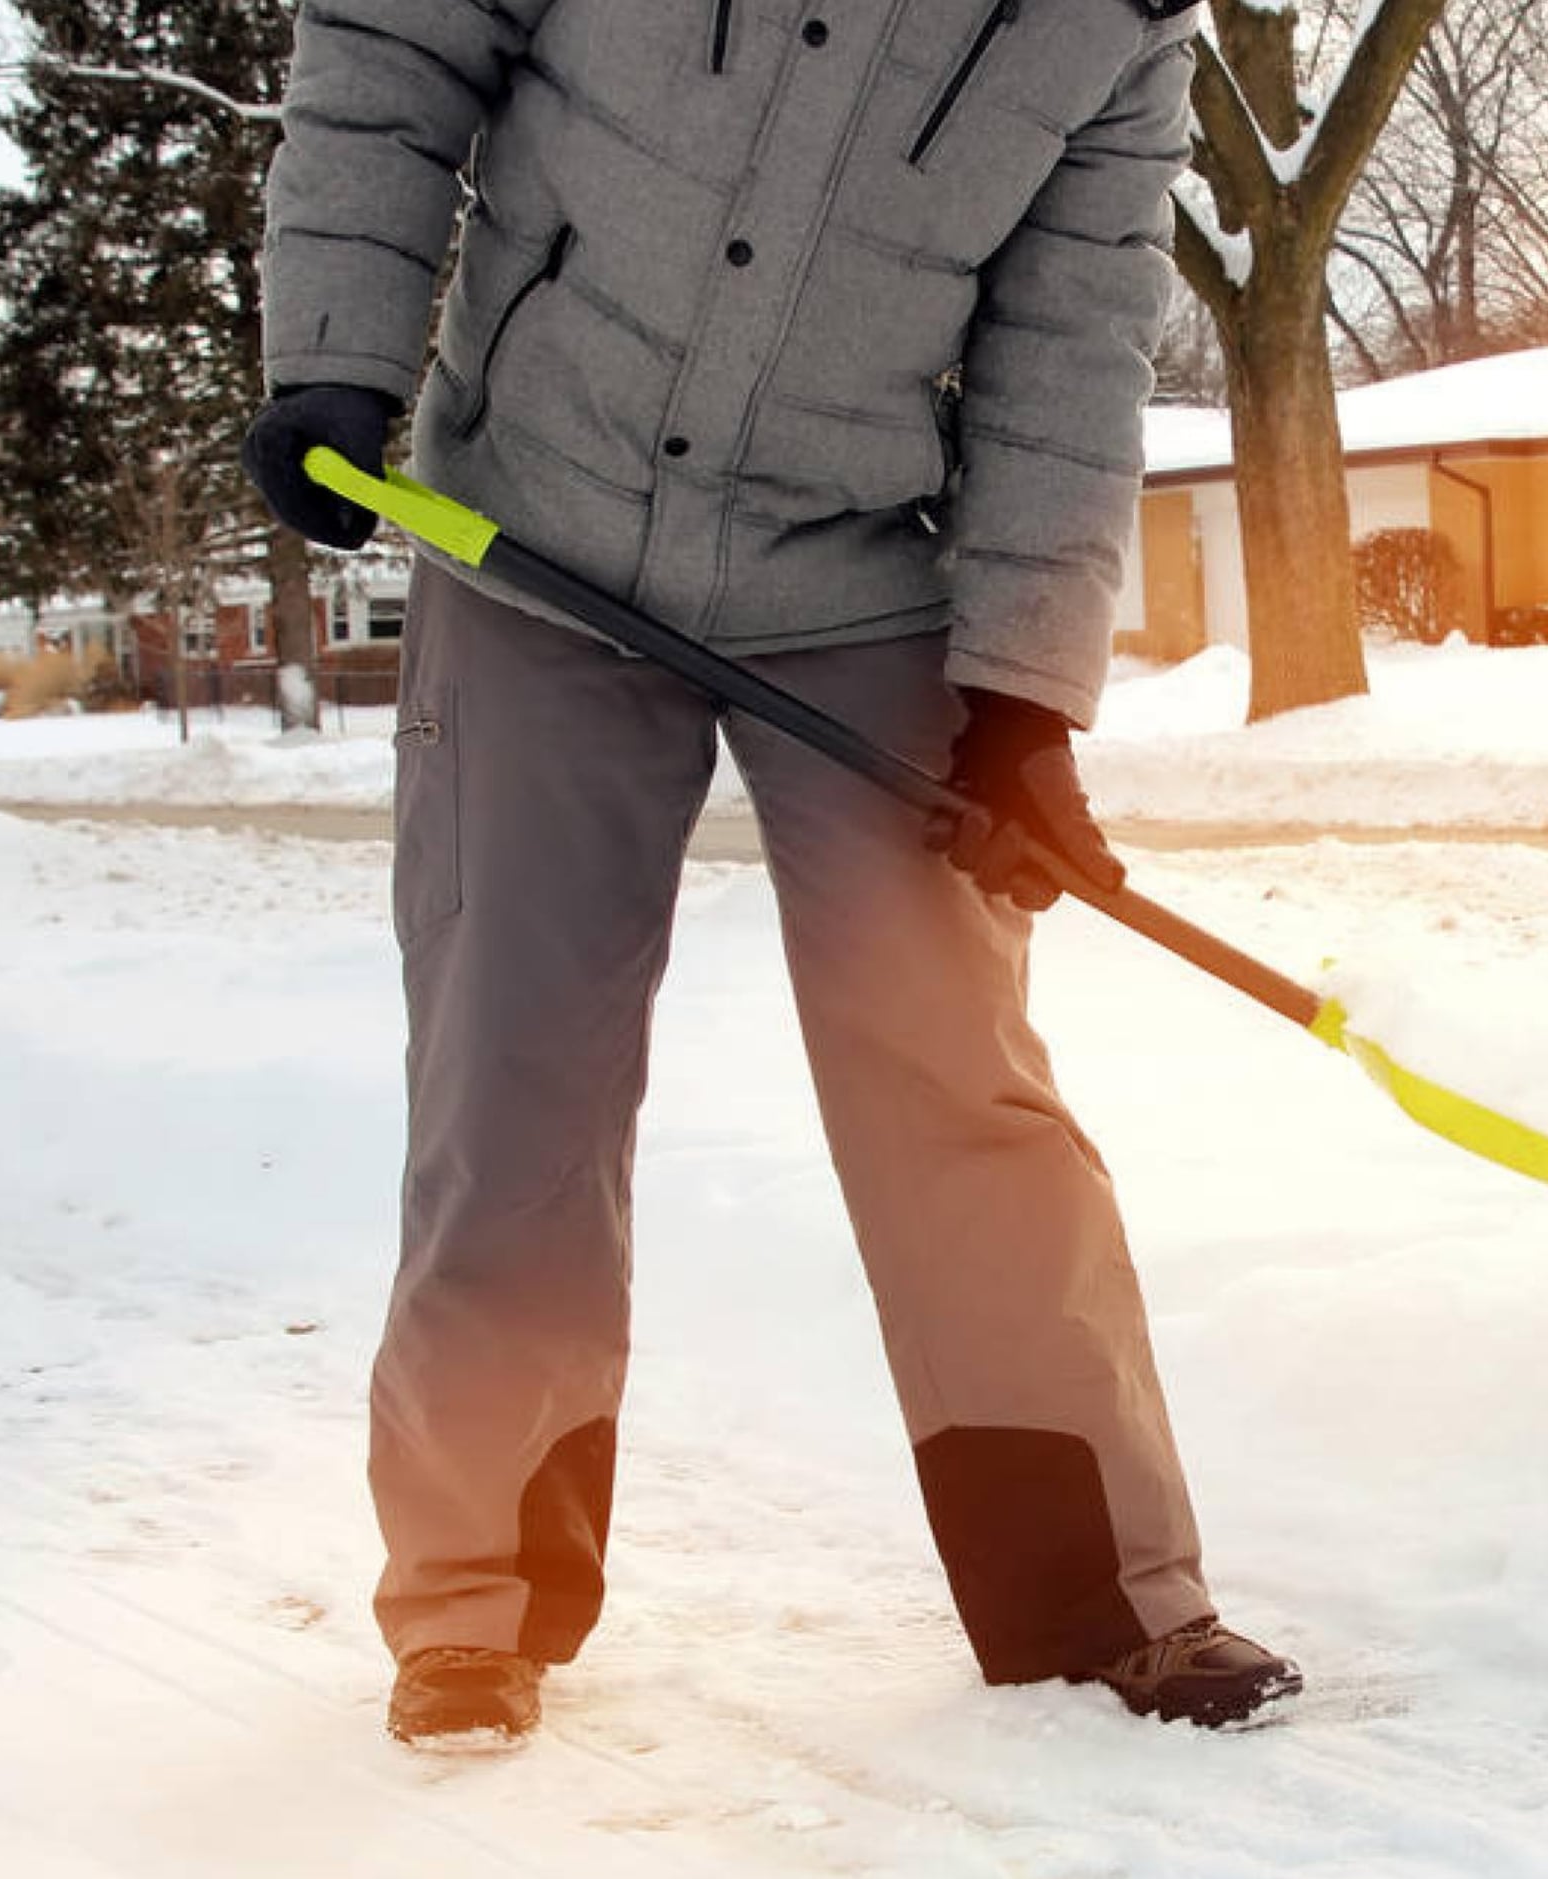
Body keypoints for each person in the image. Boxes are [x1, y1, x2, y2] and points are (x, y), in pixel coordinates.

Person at [240, 0, 1298, 1744]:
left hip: (859, 574)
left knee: (956, 1073)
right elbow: (395, 43)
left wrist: (1024, 698)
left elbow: (1071, 342)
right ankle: (475, 1602)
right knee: (518, 1080)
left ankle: (1099, 1595)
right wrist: (336, 353)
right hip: (532, 540)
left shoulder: (1114, 23)